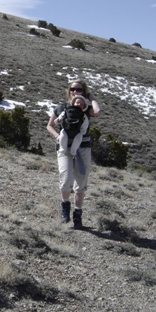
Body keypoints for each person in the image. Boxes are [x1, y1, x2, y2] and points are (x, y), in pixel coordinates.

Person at [46, 80, 103, 228]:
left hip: (83, 148)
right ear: (69, 91)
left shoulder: (85, 109)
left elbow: (97, 112)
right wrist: (58, 137)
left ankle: (77, 214)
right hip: (64, 148)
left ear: (84, 91)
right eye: (73, 89)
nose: (76, 92)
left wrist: (91, 97)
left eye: (79, 89)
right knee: (65, 180)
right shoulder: (61, 108)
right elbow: (50, 125)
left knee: (81, 182)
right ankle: (65, 207)